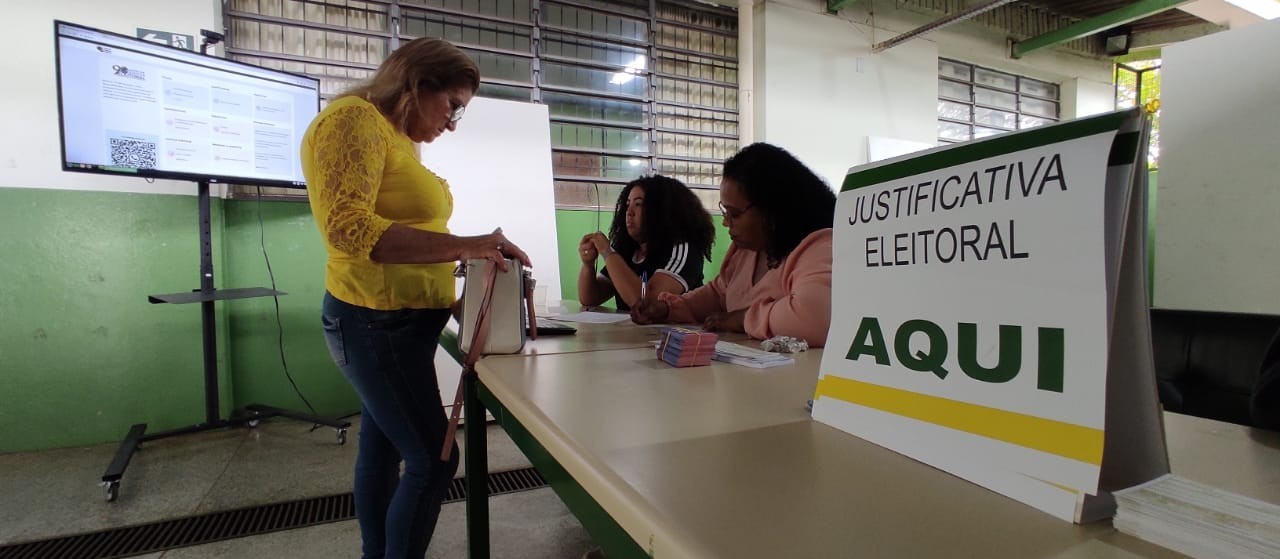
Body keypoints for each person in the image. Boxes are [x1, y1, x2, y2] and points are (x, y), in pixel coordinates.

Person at [302, 38, 530, 559]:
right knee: (433, 458)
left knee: (383, 448)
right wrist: (470, 244)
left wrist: (467, 288)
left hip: (401, 326)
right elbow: (350, 229)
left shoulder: (397, 139)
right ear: (416, 84)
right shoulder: (352, 120)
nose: (452, 123)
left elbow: (409, 233)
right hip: (373, 321)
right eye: (452, 105)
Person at [631, 143, 836, 347]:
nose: (726, 222)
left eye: (735, 214)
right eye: (724, 212)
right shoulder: (745, 251)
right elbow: (718, 294)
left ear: (772, 210)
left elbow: (815, 318)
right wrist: (668, 308)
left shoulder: (818, 246)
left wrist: (743, 319)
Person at [577, 175, 715, 310]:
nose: (629, 212)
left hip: (674, 333)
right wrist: (588, 265)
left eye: (638, 204)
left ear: (661, 210)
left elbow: (644, 302)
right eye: (627, 204)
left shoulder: (682, 248)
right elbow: (590, 299)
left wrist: (608, 252)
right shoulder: (627, 249)